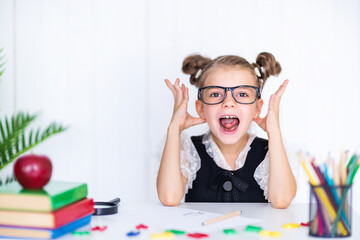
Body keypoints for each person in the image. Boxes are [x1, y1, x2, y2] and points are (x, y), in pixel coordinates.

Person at [156, 52, 297, 208]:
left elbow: (282, 200)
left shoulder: (269, 152)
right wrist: (174, 128)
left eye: (242, 94)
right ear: (201, 109)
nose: (228, 102)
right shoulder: (189, 151)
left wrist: (274, 132)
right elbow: (169, 197)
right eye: (216, 94)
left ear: (257, 108)